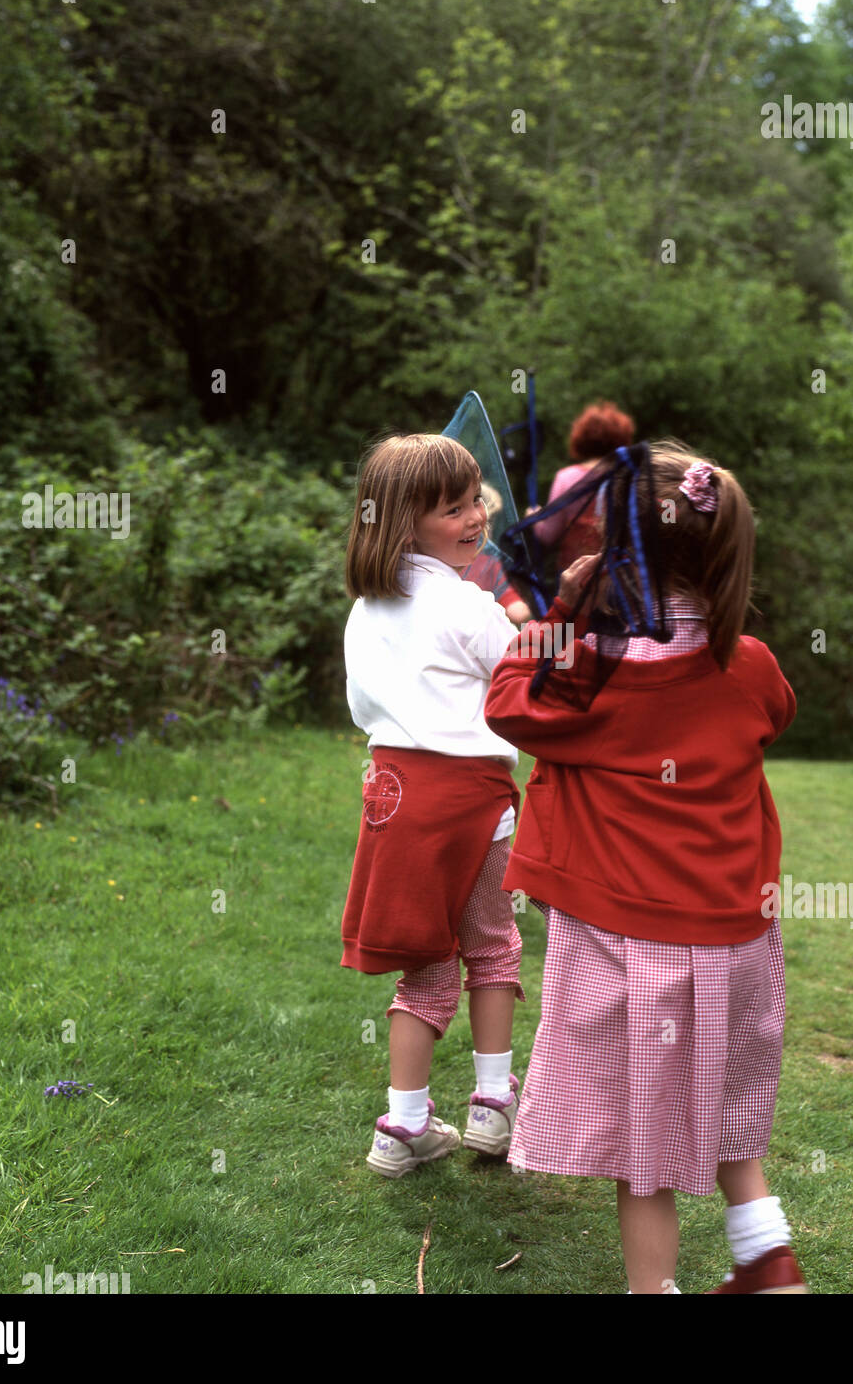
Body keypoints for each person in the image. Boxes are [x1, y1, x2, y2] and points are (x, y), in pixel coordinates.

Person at [484, 441, 805, 1295]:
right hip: (736, 935)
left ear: (616, 546)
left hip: (632, 944)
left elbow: (507, 703)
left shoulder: (584, 677)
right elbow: (771, 716)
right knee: (730, 1107)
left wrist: (566, 603)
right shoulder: (752, 666)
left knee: (643, 1147)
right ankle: (767, 1261)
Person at [341, 433, 526, 1178]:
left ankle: (404, 1125)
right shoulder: (465, 603)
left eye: (475, 498)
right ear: (405, 523)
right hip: (472, 800)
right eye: (452, 508)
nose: (475, 515)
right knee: (490, 944)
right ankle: (491, 1104)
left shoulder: (365, 610)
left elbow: (361, 707)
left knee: (421, 963)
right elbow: (519, 681)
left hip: (392, 795)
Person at [526, 402, 635, 577]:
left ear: (581, 438)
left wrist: (533, 518)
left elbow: (548, 534)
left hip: (576, 574)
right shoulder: (630, 478)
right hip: (619, 576)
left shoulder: (566, 477)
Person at [462, 482, 532, 625]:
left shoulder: (490, 561)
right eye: (488, 521)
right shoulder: (441, 563)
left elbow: (513, 605)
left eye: (492, 521)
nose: (488, 528)